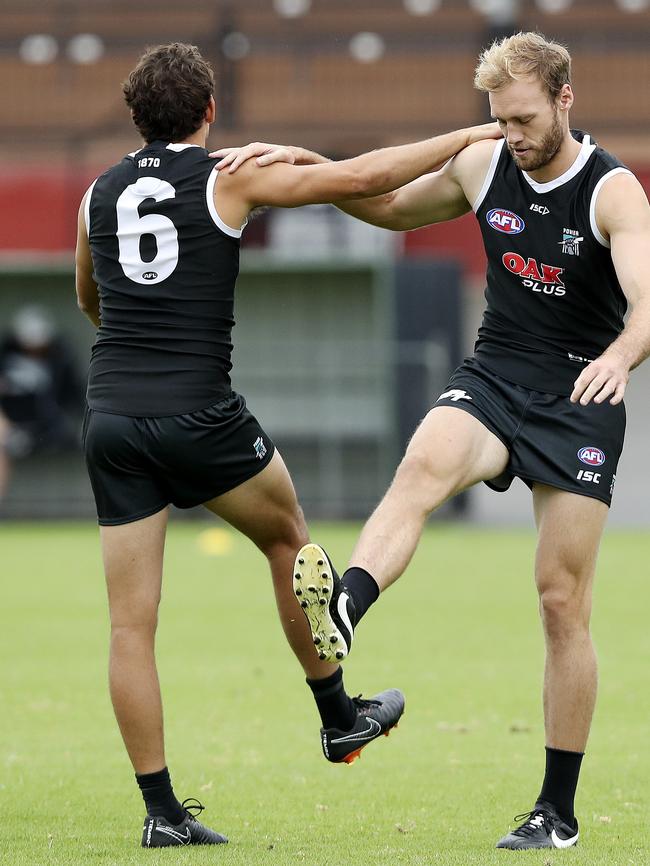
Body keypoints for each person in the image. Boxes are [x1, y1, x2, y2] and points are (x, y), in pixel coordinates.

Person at [216, 31, 650, 851]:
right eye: (499, 119)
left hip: (580, 396)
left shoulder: (613, 193)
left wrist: (622, 356)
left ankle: (555, 812)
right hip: (494, 376)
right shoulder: (484, 163)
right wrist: (310, 163)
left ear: (565, 99)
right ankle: (346, 603)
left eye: (524, 118)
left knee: (562, 603)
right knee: (421, 466)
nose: (512, 135)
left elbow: (646, 304)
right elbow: (381, 205)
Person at [75, 42, 501, 848]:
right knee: (288, 539)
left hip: (114, 418)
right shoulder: (228, 175)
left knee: (130, 628)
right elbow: (362, 179)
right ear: (208, 113)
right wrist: (461, 138)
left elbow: (88, 293)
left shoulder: (97, 194)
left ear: (136, 116)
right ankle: (339, 718)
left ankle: (163, 816)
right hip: (202, 414)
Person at [0, 305, 83, 504]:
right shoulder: (5, 356)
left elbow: (73, 395)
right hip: (9, 426)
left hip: (47, 427)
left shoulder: (60, 359)